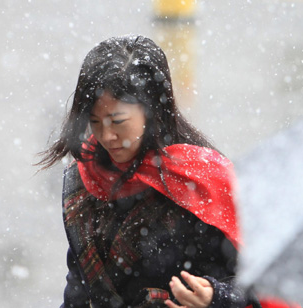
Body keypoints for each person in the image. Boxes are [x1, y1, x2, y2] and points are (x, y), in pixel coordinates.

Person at [38, 35, 257, 308]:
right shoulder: (84, 178)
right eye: (94, 121)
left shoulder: (203, 180)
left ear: (153, 111)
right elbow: (79, 285)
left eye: (117, 121)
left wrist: (215, 296)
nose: (106, 136)